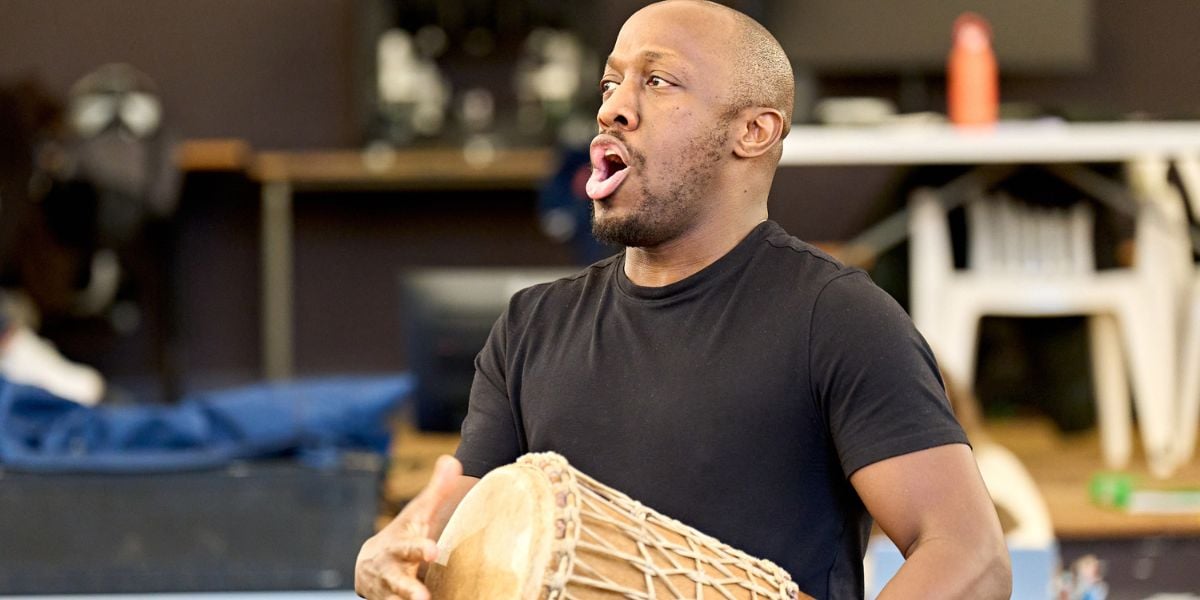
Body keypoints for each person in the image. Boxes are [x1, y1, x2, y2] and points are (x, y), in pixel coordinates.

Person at [356, 1, 1011, 598]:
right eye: (610, 83)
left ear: (753, 131)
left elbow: (970, 555)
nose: (613, 107)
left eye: (657, 81)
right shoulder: (532, 326)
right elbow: (449, 555)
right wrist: (386, 562)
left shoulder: (837, 319)